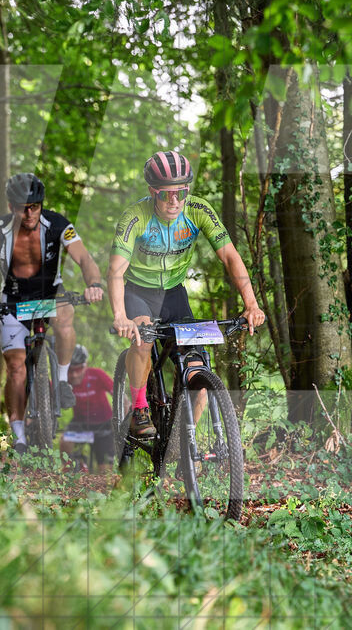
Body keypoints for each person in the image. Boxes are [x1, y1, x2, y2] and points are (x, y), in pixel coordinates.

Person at [107, 150, 266, 437]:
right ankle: (140, 408)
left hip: (174, 295)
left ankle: (185, 447)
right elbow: (116, 270)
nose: (174, 202)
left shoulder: (198, 211)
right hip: (138, 292)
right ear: (152, 192)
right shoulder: (135, 217)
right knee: (143, 337)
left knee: (199, 374)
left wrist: (251, 304)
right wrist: (120, 315)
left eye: (180, 194)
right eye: (166, 195)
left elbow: (230, 256)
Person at [0, 173, 104, 454]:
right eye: (21, 207)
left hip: (50, 293)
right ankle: (18, 435)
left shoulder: (58, 224)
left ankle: (62, 380)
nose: (29, 213)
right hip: (14, 299)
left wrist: (94, 284)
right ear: (10, 206)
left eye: (34, 206)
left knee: (65, 319)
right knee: (15, 367)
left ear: (41, 204)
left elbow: (84, 258)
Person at [58, 344, 115, 470]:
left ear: (85, 365)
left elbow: (119, 396)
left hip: (104, 427)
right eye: (70, 370)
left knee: (105, 473)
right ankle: (73, 470)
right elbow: (46, 396)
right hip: (81, 425)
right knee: (65, 441)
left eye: (78, 369)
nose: (74, 375)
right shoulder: (64, 381)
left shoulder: (97, 375)